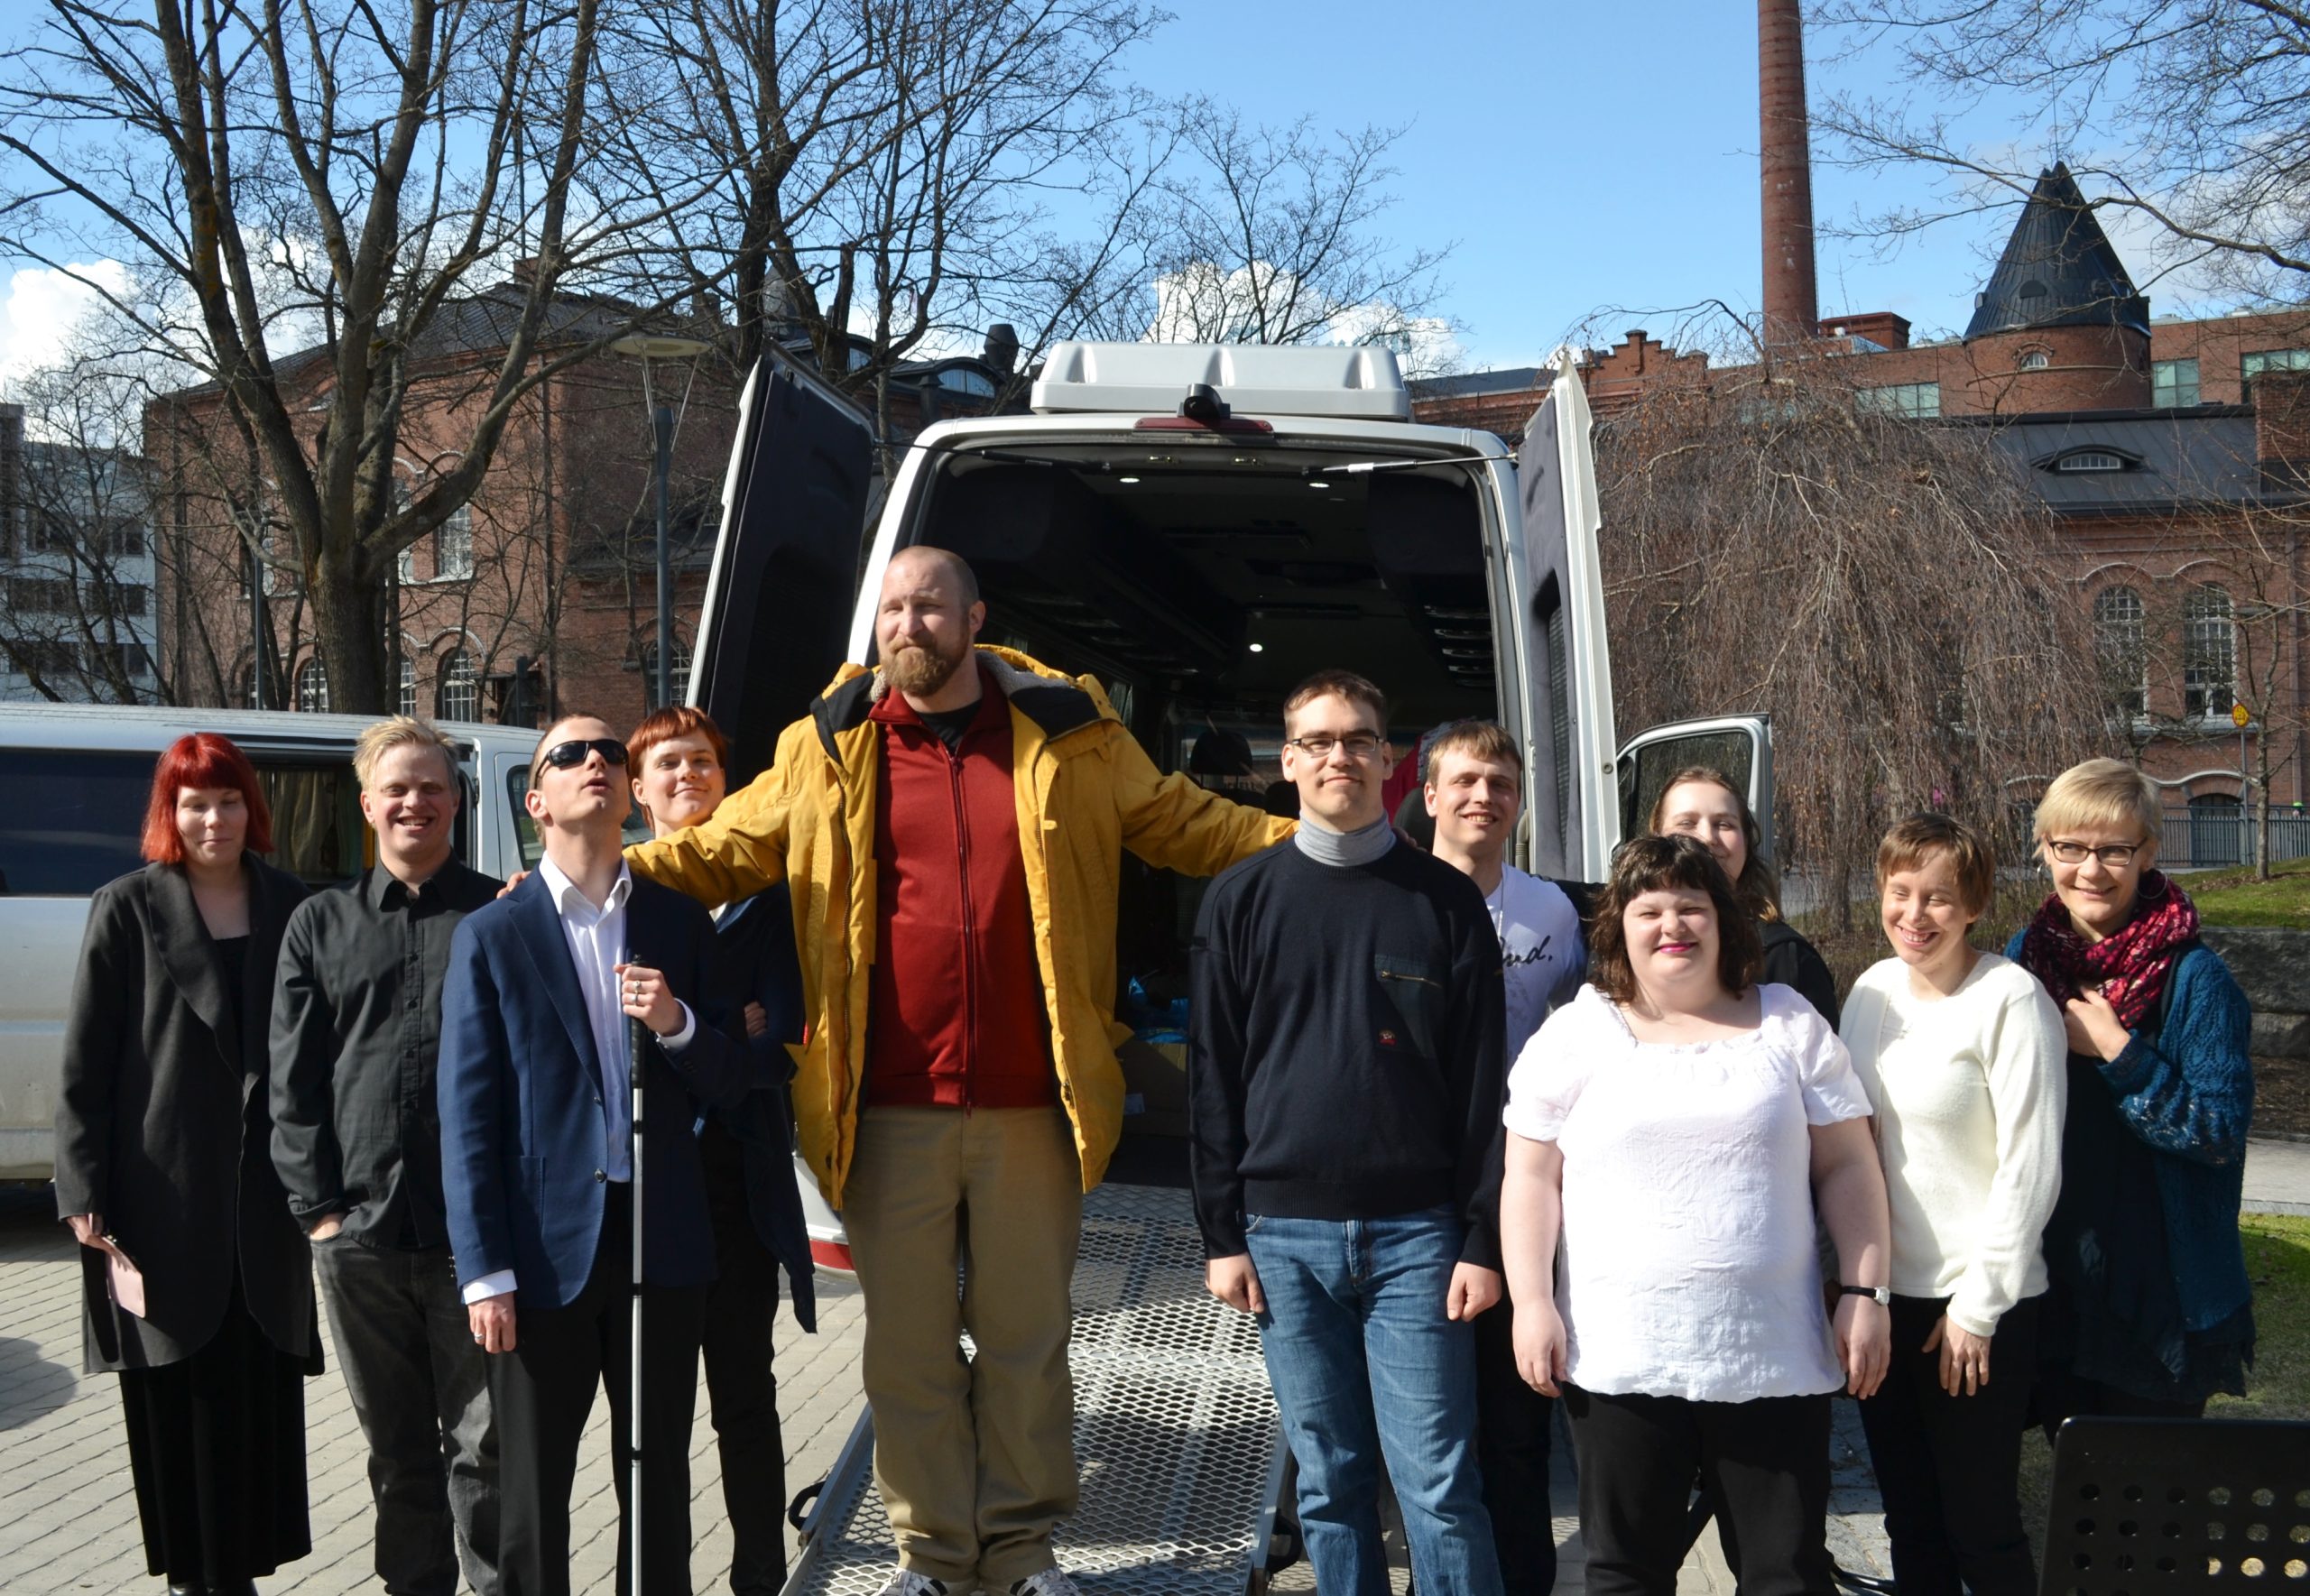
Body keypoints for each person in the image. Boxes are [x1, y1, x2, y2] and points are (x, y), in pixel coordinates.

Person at [622, 546, 1292, 1596]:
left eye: (929, 605)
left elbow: (1184, 821)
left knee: (1026, 1345)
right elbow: (716, 849)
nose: (908, 624)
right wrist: (579, 878)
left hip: (1034, 1104)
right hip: (884, 1109)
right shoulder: (825, 744)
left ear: (974, 618)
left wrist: (1323, 846)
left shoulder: (1069, 734)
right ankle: (932, 1554)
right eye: (893, 608)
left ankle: (1020, 1551)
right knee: (910, 1352)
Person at [1500, 834, 1891, 1596]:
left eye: (1691, 906)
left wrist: (1865, 1291)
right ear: (1619, 926)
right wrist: (1532, 1302)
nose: (1672, 925)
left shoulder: (1788, 1022)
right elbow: (1529, 1177)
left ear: (1724, 919)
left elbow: (1850, 1165)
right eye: (1649, 910)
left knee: (1787, 1576)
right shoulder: (1577, 1032)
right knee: (1626, 1575)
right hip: (1620, 1357)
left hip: (1771, 1356)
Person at [1191, 670, 1509, 1596]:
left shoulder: (1444, 902)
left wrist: (1481, 1237)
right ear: (1288, 762)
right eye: (1320, 741)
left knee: (1439, 1484)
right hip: (1281, 1238)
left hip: (1420, 1237)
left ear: (1387, 758)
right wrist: (1221, 1234)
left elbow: (1484, 1085)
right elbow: (1212, 1079)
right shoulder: (1239, 900)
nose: (1341, 756)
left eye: (1359, 739)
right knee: (1330, 1485)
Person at [438, 715, 752, 1596]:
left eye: (611, 752)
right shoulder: (493, 933)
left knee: (658, 1471)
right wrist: (484, 1271)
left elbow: (733, 1076)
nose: (597, 763)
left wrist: (676, 1023)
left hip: (662, 1238)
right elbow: (467, 1116)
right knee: (533, 1486)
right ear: (536, 800)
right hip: (541, 1255)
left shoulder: (676, 922)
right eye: (569, 754)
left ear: (629, 795)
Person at [54, 732, 319, 1596]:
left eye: (229, 799)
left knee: (255, 1399)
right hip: (161, 1206)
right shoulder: (127, 906)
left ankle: (239, 1577)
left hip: (267, 1209)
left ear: (252, 807)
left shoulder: (292, 904)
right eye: (195, 803)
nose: (214, 819)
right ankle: (192, 1581)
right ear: (169, 812)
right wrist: (82, 1188)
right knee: (178, 1399)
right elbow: (86, 1064)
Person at [269, 717, 504, 1596]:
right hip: (360, 1238)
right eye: (396, 788)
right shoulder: (317, 924)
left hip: (472, 1241)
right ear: (367, 804)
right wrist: (320, 1215)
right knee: (398, 1453)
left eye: (431, 786)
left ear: (456, 800)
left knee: (486, 1446)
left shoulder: (499, 913)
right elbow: (292, 1081)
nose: (415, 801)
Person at [1841, 814, 2066, 1596]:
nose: (1915, 913)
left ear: (1974, 905)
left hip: (1975, 1308)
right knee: (1910, 1519)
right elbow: (1849, 1148)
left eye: (1938, 897)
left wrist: (1978, 1306)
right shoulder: (1870, 992)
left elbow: (2031, 1166)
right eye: (1900, 892)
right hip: (1886, 1301)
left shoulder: (2011, 999)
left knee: (1981, 1525)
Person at [629, 705, 817, 1596]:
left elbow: (778, 1045)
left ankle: (758, 1578)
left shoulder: (769, 896)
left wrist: (689, 1032)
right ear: (638, 788)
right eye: (668, 762)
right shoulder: (619, 898)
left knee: (745, 1397)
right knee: (653, 1416)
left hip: (737, 1188)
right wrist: (720, 1032)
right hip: (646, 1194)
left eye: (703, 761)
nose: (688, 775)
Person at [2008, 758, 2255, 1423]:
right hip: (2053, 1272)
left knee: (2146, 1480)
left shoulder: (2196, 977)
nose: (2091, 870)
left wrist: (2119, 1054)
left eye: (2114, 849)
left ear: (2148, 852)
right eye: (2070, 847)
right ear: (2044, 850)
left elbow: (2219, 1134)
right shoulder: (2022, 960)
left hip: (2155, 1290)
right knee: (2069, 1466)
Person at [1422, 719, 1585, 1595]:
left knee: (1516, 1421)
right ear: (1429, 794)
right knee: (1427, 1428)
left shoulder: (1550, 912)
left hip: (1522, 1182)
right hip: (1417, 1184)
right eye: (1465, 780)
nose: (1483, 796)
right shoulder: (1397, 896)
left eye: (1501, 783)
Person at [1650, 767, 1839, 1024]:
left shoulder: (1784, 957)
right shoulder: (1624, 944)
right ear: (1656, 838)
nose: (1707, 837)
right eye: (1687, 823)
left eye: (1724, 824)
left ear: (1747, 843)